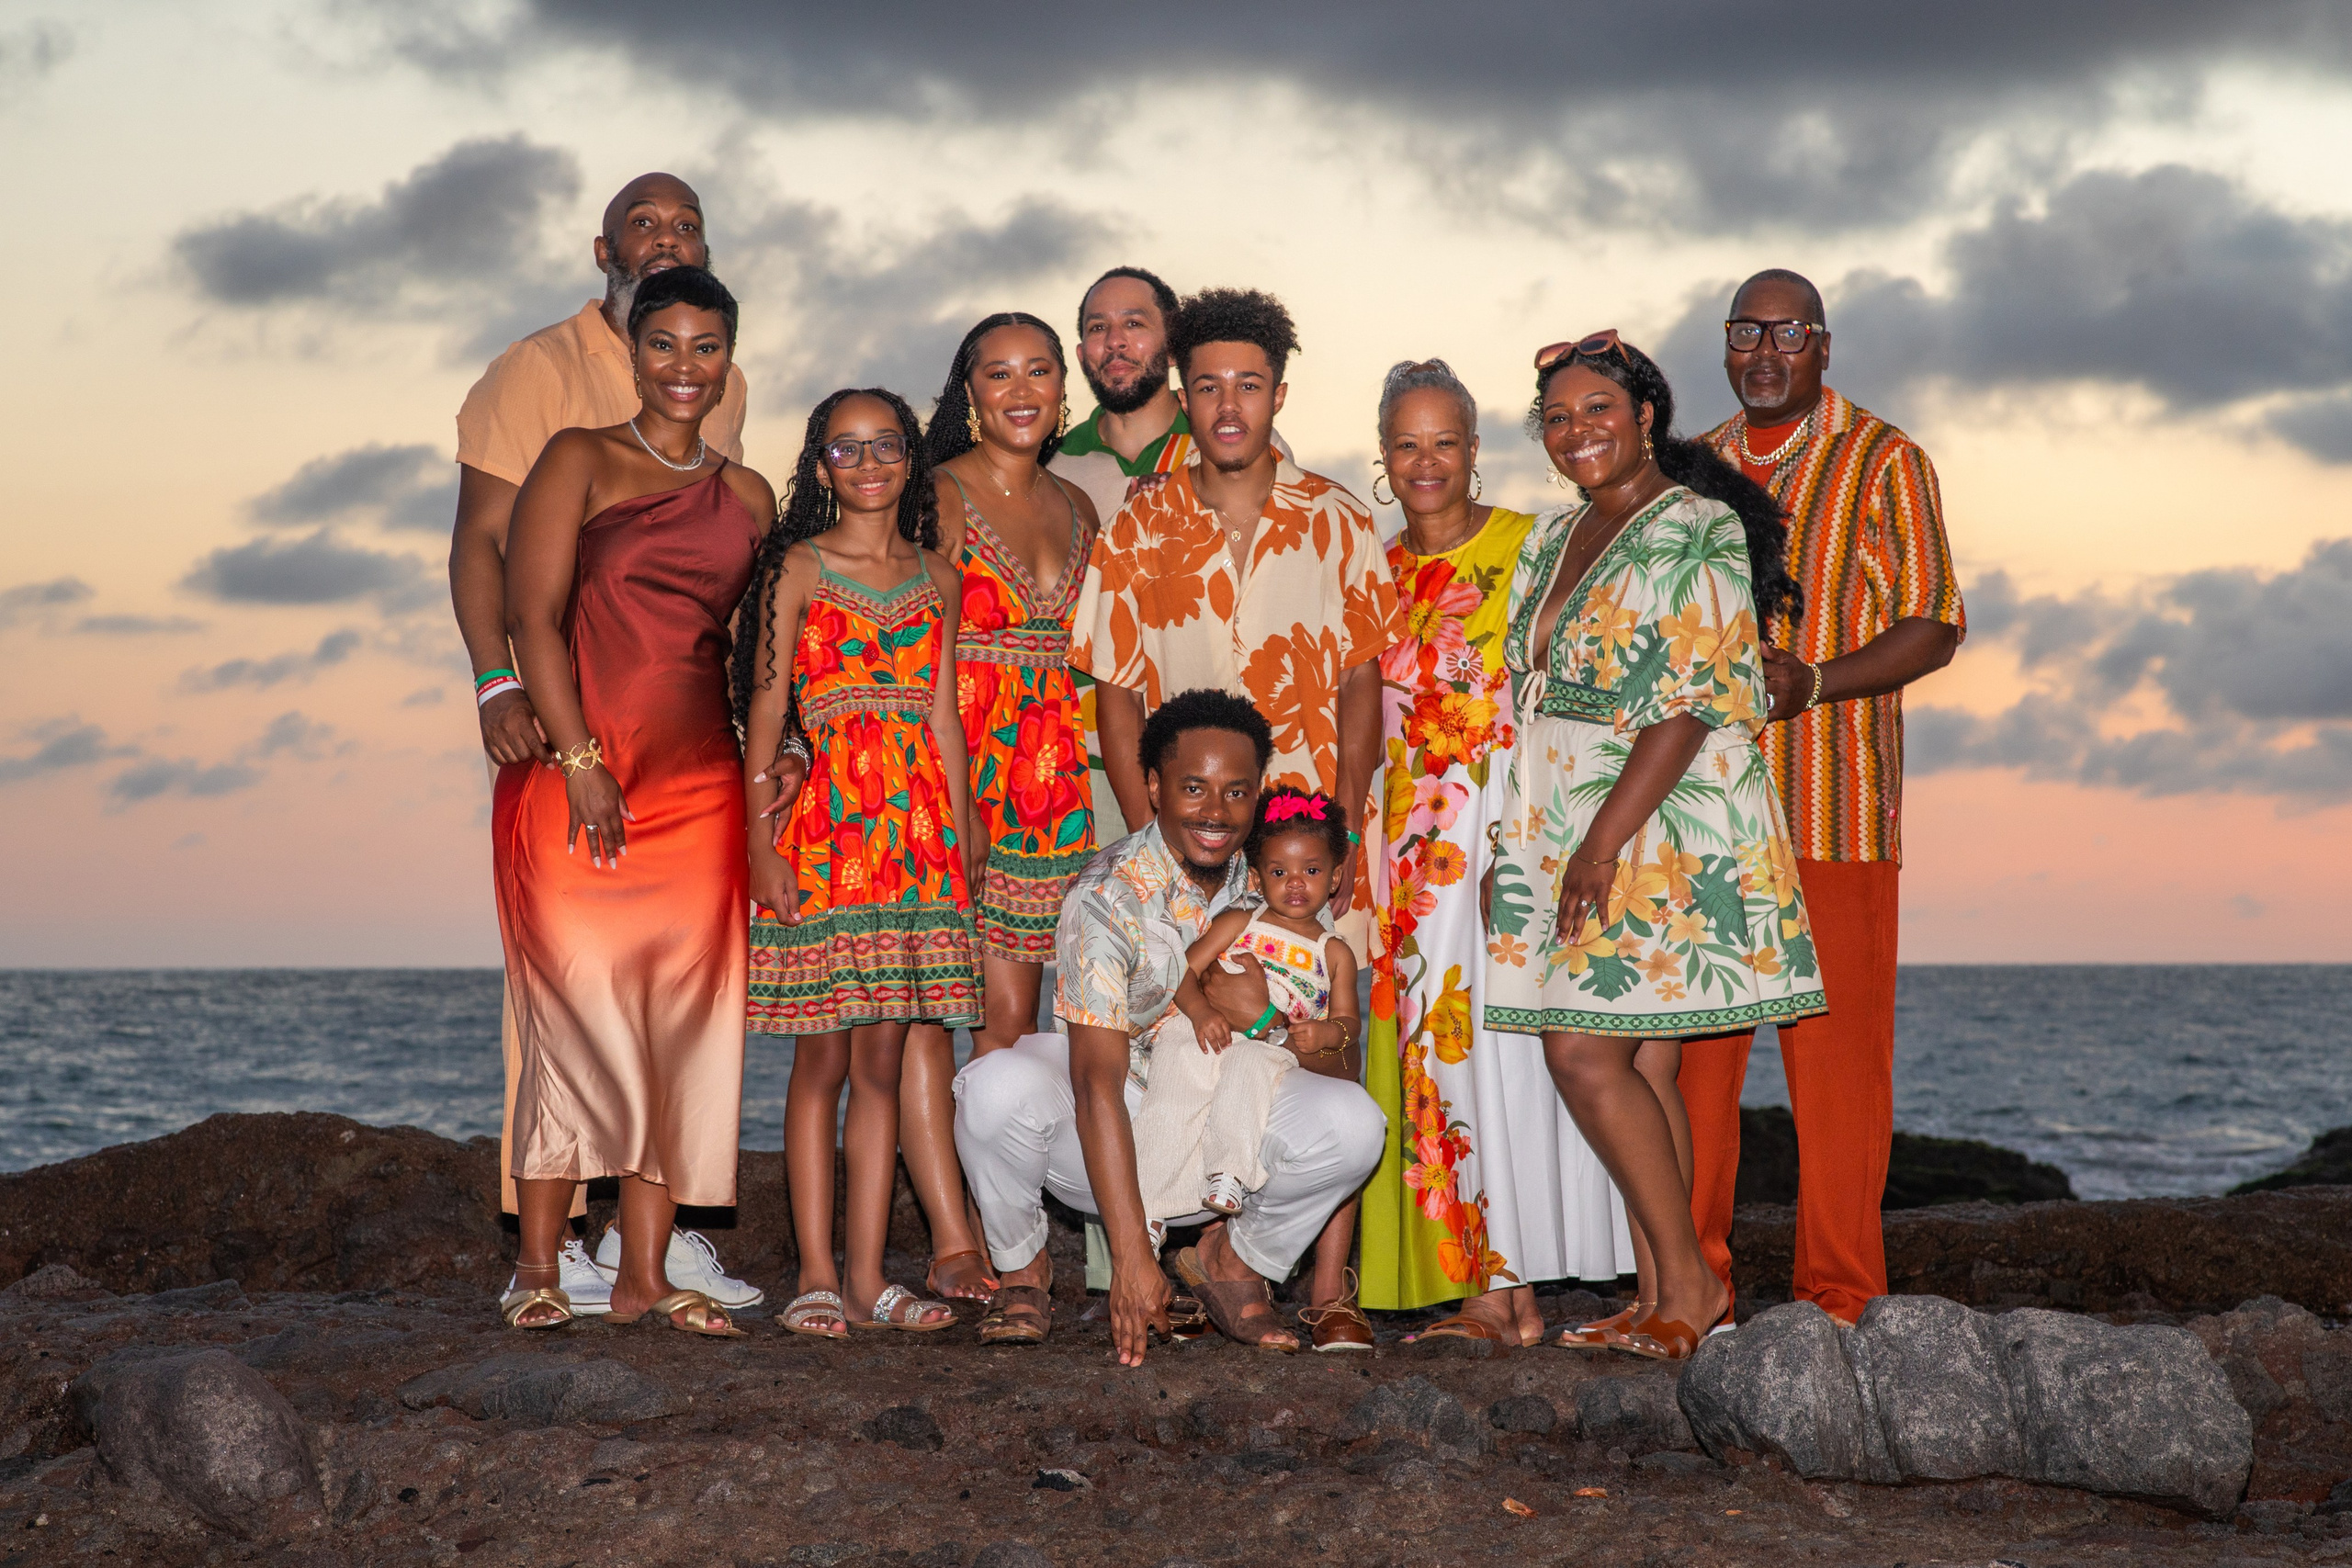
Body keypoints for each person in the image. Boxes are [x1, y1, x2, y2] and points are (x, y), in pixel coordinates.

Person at [451, 171, 774, 1313]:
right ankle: (539, 1265)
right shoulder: (563, 434)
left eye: (707, 346)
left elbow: (746, 647)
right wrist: (554, 737)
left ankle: (643, 1274)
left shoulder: (752, 488)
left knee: (679, 1018)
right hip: (576, 764)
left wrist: (772, 762)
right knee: (570, 1003)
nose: (686, 363)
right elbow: (522, 600)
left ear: (727, 359)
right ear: (629, 345)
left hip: (699, 786)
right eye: (666, 344)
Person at [1067, 287, 1405, 1347]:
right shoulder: (1141, 521)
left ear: (1278, 396)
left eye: (1247, 386)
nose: (1225, 405)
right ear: (1182, 395)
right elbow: (1115, 684)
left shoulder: (1339, 517)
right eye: (1205, 385)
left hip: (1303, 844)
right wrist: (1144, 830)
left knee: (1321, 1043)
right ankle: (1169, 1253)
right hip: (1184, 841)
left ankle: (1328, 1281)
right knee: (1178, 1044)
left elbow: (1359, 683)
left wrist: (1342, 828)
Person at [1481, 330, 1826, 1360]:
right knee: (1644, 1066)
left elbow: (1688, 704)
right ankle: (1668, 1295)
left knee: (1581, 1052)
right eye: (1556, 416)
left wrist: (1598, 842)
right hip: (1566, 815)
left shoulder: (1698, 526)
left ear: (1643, 419)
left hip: (1653, 817)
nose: (1575, 430)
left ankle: (1686, 1285)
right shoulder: (1550, 539)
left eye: (1597, 410)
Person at [1679, 270, 1967, 1325]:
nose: (1764, 350)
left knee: (1839, 1074)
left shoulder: (1886, 460)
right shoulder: (1693, 469)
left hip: (1835, 810)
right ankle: (1691, 1290)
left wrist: (1815, 681)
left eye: (1786, 332)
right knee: (1693, 1074)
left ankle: (1838, 1297)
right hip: (1704, 818)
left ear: (1823, 346)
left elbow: (1934, 622)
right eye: (1744, 331)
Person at [952, 690, 1387, 1362]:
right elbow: (1096, 1077)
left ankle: (1231, 1260)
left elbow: (1340, 1063)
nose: (1215, 812)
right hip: (1123, 1126)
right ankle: (1022, 1270)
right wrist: (1131, 1258)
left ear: (1258, 793)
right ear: (1153, 786)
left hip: (1232, 1137)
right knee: (990, 1085)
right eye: (1193, 787)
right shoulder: (1105, 892)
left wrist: (1269, 1021)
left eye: (1236, 791)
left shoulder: (1282, 880)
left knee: (1358, 1123)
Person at [1352, 359, 1633, 1346]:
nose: (1425, 461)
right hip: (1410, 854)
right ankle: (1488, 1289)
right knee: (1437, 1064)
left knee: (1511, 1056)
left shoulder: (1535, 547)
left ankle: (1505, 1292)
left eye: (1445, 441)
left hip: (1512, 829)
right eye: (1405, 444)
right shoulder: (1368, 569)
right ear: (1383, 458)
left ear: (1474, 450)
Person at [736, 388, 980, 1337]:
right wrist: (760, 841)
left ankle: (874, 1279)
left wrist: (954, 849)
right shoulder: (797, 566)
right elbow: (764, 710)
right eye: (847, 448)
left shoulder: (939, 578)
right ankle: (812, 1276)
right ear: (820, 464)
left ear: (912, 458)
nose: (868, 462)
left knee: (882, 1063)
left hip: (915, 847)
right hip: (829, 837)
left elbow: (947, 721)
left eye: (886, 445)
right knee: (821, 1064)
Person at [1051, 266, 1298, 843]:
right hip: (1091, 766)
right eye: (1097, 327)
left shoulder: (1238, 442)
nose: (1115, 341)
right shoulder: (1057, 468)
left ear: (1171, 345)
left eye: (1135, 324)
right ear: (1083, 354)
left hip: (1228, 763)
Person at [1135, 785, 1362, 1227]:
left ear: (1335, 877)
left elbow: (1349, 1020)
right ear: (1257, 878)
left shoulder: (1334, 951)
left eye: (1311, 870)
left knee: (1249, 1073)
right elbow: (1180, 971)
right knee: (1173, 1094)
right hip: (1206, 1027)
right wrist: (1200, 1013)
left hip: (1269, 1045)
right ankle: (1149, 1209)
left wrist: (1327, 1034)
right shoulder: (1241, 921)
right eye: (1279, 872)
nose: (1296, 882)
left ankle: (1229, 1173)